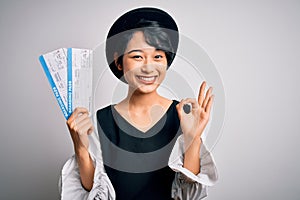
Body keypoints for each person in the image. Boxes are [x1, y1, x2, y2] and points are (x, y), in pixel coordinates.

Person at [60, 7, 218, 200]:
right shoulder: (100, 121)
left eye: (158, 56)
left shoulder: (183, 116)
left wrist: (193, 137)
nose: (149, 66)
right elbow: (92, 191)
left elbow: (188, 195)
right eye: (137, 56)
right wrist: (80, 147)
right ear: (119, 62)